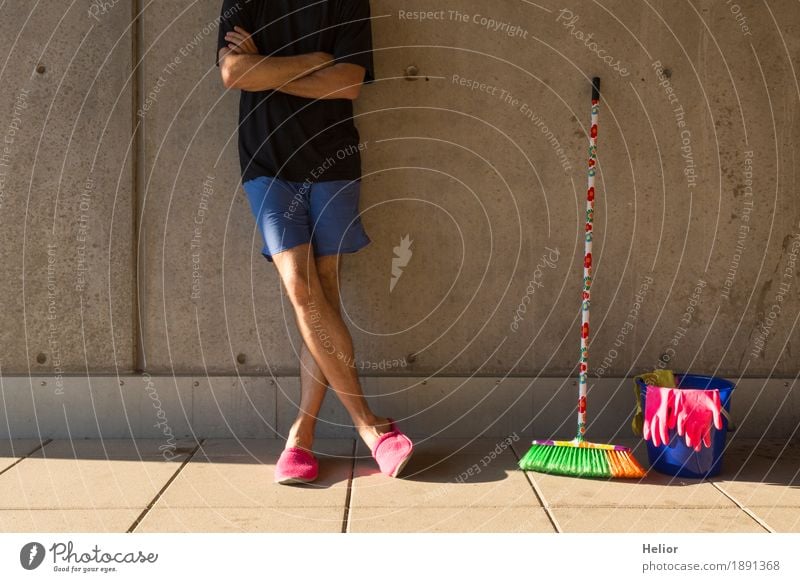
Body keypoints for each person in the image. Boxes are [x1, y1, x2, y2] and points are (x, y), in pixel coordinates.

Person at [216, 0, 413, 484]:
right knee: (302, 288)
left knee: (324, 290)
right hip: (267, 161)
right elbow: (234, 72)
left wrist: (269, 67)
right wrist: (311, 62)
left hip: (333, 158)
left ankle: (301, 435)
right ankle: (370, 427)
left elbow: (347, 85)